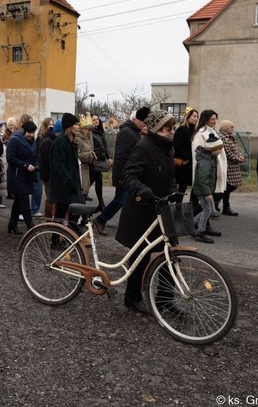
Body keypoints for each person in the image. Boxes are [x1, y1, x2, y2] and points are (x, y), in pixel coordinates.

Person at [116, 110, 177, 314]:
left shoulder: (167, 148)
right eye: (168, 128)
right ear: (157, 129)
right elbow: (129, 175)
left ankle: (165, 297)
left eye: (173, 128)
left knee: (171, 253)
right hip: (142, 210)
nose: (172, 132)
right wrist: (142, 189)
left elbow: (169, 176)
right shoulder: (144, 147)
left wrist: (173, 192)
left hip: (162, 207)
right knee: (141, 256)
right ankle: (132, 298)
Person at [93, 107, 150, 236]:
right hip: (124, 174)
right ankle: (100, 219)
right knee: (121, 200)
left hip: (130, 174)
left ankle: (124, 225)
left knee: (127, 201)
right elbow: (121, 157)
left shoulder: (134, 131)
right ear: (134, 119)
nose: (144, 124)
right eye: (142, 121)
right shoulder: (127, 132)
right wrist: (122, 176)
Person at [48, 113, 83, 220]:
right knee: (61, 213)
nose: (78, 127)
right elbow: (59, 165)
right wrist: (68, 181)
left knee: (74, 214)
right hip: (63, 186)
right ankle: (56, 236)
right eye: (76, 124)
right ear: (69, 126)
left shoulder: (71, 141)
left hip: (71, 184)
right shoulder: (60, 141)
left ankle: (68, 236)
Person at [6, 120, 39, 233]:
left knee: (19, 202)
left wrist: (36, 165)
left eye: (32, 132)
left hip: (27, 176)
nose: (30, 134)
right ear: (24, 131)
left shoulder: (33, 141)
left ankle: (12, 225)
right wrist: (25, 165)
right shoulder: (15, 140)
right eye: (28, 132)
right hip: (16, 176)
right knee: (24, 200)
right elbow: (10, 158)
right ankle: (31, 227)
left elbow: (35, 156)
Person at [192, 134, 224, 244]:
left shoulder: (210, 159)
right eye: (219, 149)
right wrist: (207, 193)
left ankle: (191, 224)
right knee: (207, 211)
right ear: (213, 149)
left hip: (205, 190)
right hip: (203, 191)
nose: (220, 151)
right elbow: (202, 178)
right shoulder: (206, 161)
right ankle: (200, 232)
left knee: (208, 210)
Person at [217, 120, 244, 216]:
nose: (233, 129)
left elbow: (236, 149)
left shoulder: (230, 137)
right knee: (228, 186)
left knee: (230, 186)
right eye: (231, 127)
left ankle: (221, 204)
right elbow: (227, 152)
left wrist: (240, 156)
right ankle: (223, 205)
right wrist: (238, 158)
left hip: (233, 165)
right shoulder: (223, 138)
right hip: (227, 165)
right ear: (225, 128)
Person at [39, 120, 61, 218]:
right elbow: (48, 160)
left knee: (52, 197)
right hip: (48, 175)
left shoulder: (52, 141)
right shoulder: (47, 142)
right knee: (50, 198)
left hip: (51, 174)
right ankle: (48, 218)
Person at [173, 107, 198, 196]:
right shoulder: (181, 129)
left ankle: (192, 207)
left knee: (195, 185)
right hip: (184, 162)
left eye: (197, 116)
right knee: (182, 186)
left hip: (193, 162)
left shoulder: (195, 131)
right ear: (188, 117)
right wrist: (186, 157)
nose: (196, 118)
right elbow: (177, 145)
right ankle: (178, 207)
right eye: (194, 116)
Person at [90, 114, 112, 211]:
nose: (96, 121)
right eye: (94, 119)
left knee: (98, 181)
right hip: (94, 161)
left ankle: (100, 202)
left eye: (97, 119)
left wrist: (109, 157)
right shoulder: (90, 133)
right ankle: (100, 202)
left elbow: (106, 145)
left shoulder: (100, 132)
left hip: (100, 160)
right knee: (93, 181)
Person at [76, 114, 96, 202]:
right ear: (82, 129)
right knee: (81, 192)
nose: (89, 131)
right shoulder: (77, 139)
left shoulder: (90, 138)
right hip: (80, 169)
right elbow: (77, 155)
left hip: (88, 167)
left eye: (90, 130)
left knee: (85, 190)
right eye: (87, 129)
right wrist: (90, 155)